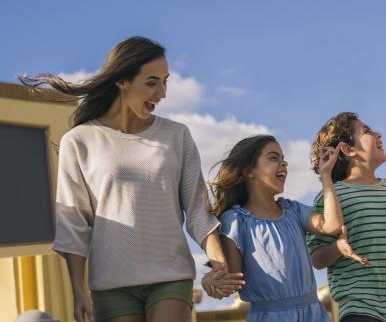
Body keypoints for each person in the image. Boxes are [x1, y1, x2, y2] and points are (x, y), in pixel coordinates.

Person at [20, 36, 243, 322]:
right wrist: (77, 291)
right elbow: (74, 222)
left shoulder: (177, 135)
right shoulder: (79, 141)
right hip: (111, 285)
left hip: (170, 275)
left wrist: (219, 267)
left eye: (165, 82)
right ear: (122, 81)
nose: (161, 93)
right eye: (152, 82)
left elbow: (198, 209)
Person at [307, 112, 386, 322]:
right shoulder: (331, 197)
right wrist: (338, 248)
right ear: (348, 149)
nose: (378, 134)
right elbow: (317, 258)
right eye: (367, 131)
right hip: (359, 309)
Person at [211, 134, 344, 321]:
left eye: (283, 159)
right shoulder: (235, 221)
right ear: (249, 170)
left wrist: (326, 176)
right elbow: (230, 281)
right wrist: (211, 282)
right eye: (274, 157)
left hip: (314, 315)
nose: (284, 164)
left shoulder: (293, 211)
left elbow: (332, 225)